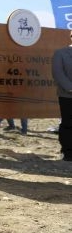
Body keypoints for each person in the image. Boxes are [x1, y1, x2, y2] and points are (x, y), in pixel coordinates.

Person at [52, 31, 72, 161]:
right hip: (67, 96)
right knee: (68, 124)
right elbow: (58, 74)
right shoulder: (61, 54)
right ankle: (68, 152)